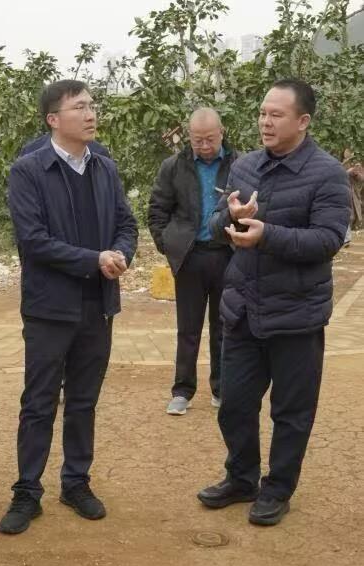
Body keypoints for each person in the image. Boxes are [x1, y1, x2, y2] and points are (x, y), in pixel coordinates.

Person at [198, 79, 350, 526]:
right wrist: (231, 216)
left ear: (303, 121)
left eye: (276, 115)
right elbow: (214, 226)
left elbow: (327, 240)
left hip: (296, 315)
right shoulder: (245, 165)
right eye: (263, 113)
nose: (265, 122)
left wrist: (267, 235)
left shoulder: (327, 174)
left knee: (291, 412)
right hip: (243, 308)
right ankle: (241, 478)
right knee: (234, 405)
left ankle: (277, 489)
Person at [0, 79, 138, 535]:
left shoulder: (105, 168)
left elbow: (126, 224)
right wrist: (94, 259)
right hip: (49, 308)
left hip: (97, 305)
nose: (90, 113)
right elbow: (34, 241)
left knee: (83, 400)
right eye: (79, 107)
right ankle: (27, 491)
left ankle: (76, 483)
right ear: (54, 119)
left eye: (92, 105)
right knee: (39, 402)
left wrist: (120, 254)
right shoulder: (28, 171)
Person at [147, 108, 237, 415]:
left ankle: (222, 388)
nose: (205, 145)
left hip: (228, 255)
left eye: (210, 139)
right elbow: (157, 210)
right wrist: (168, 246)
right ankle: (182, 390)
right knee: (188, 328)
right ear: (189, 137)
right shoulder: (173, 167)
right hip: (190, 256)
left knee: (225, 326)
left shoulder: (239, 165)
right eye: (198, 140)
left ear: (222, 132)